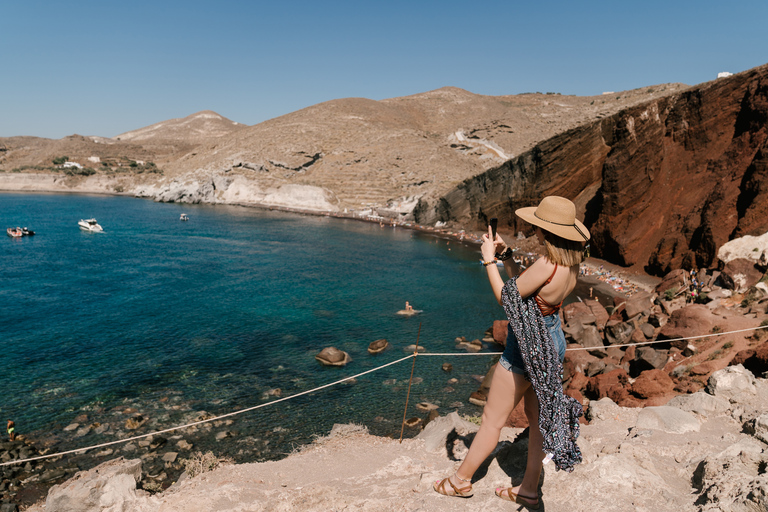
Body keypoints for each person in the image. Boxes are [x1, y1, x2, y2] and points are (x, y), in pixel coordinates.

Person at [434, 196, 589, 508]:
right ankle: (528, 489)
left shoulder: (547, 263)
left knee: (492, 420)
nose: (534, 228)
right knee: (536, 419)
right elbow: (528, 285)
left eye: (539, 225)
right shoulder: (570, 263)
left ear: (548, 230)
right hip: (552, 340)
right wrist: (507, 257)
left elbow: (509, 300)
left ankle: (460, 481)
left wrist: (489, 259)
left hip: (528, 346)